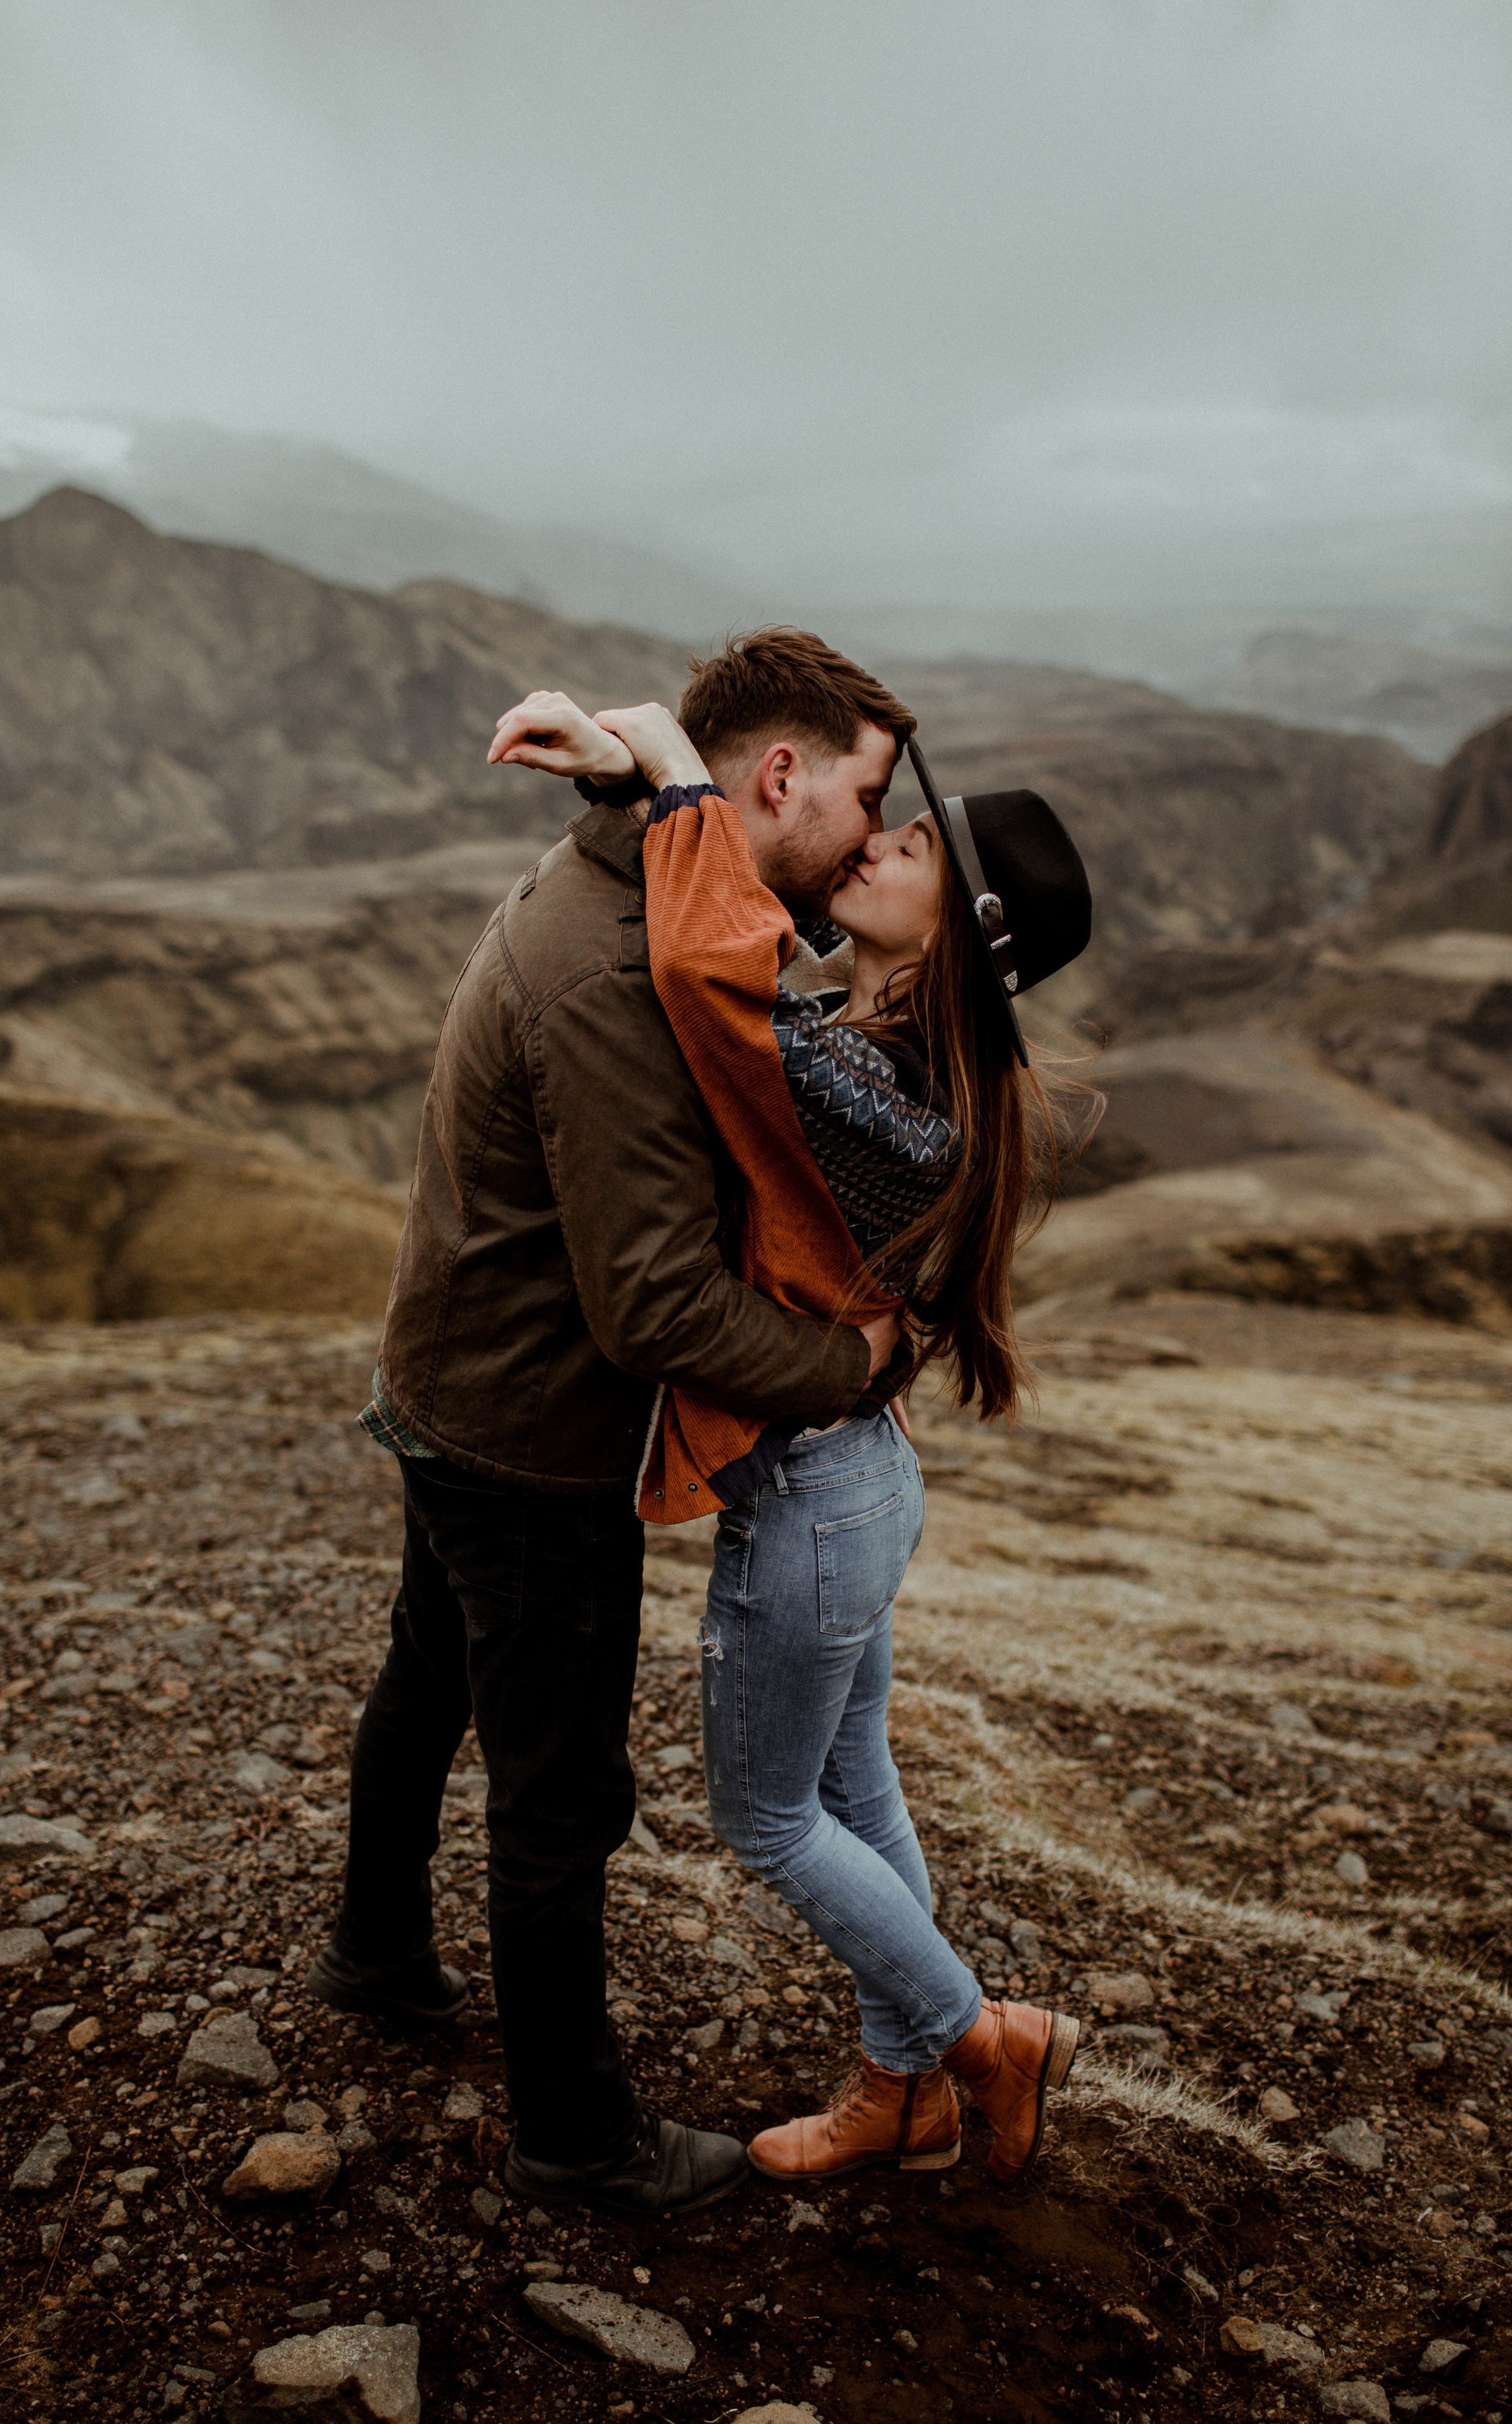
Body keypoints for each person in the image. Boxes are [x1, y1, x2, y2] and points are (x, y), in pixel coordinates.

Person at [305, 629, 916, 2218]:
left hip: (453, 1381)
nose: (870, 838)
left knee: (427, 1674)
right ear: (774, 777)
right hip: (526, 1434)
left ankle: (373, 1951)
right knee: (559, 1789)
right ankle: (575, 2139)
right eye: (864, 799)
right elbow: (649, 1310)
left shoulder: (634, 874)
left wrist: (647, 757)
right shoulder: (618, 971)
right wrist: (849, 1371)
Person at [487, 661, 1094, 2187]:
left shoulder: (891, 1091)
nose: (871, 846)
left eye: (908, 847)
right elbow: (751, 972)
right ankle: (907, 2091)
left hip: (818, 1497)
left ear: (963, 934)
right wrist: (639, 769)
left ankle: (980, 2041)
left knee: (763, 1817)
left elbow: (717, 978)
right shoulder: (878, 1042)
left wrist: (673, 780)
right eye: (884, 819)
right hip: (848, 1488)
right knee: (852, 1793)